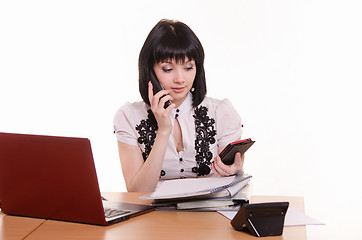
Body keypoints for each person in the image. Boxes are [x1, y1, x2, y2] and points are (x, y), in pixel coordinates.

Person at [114, 19, 245, 192]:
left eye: (189, 67)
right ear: (150, 70)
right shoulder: (128, 117)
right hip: (154, 215)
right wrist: (163, 131)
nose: (180, 79)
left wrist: (236, 172)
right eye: (168, 69)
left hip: (210, 213)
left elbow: (233, 184)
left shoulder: (221, 112)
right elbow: (138, 192)